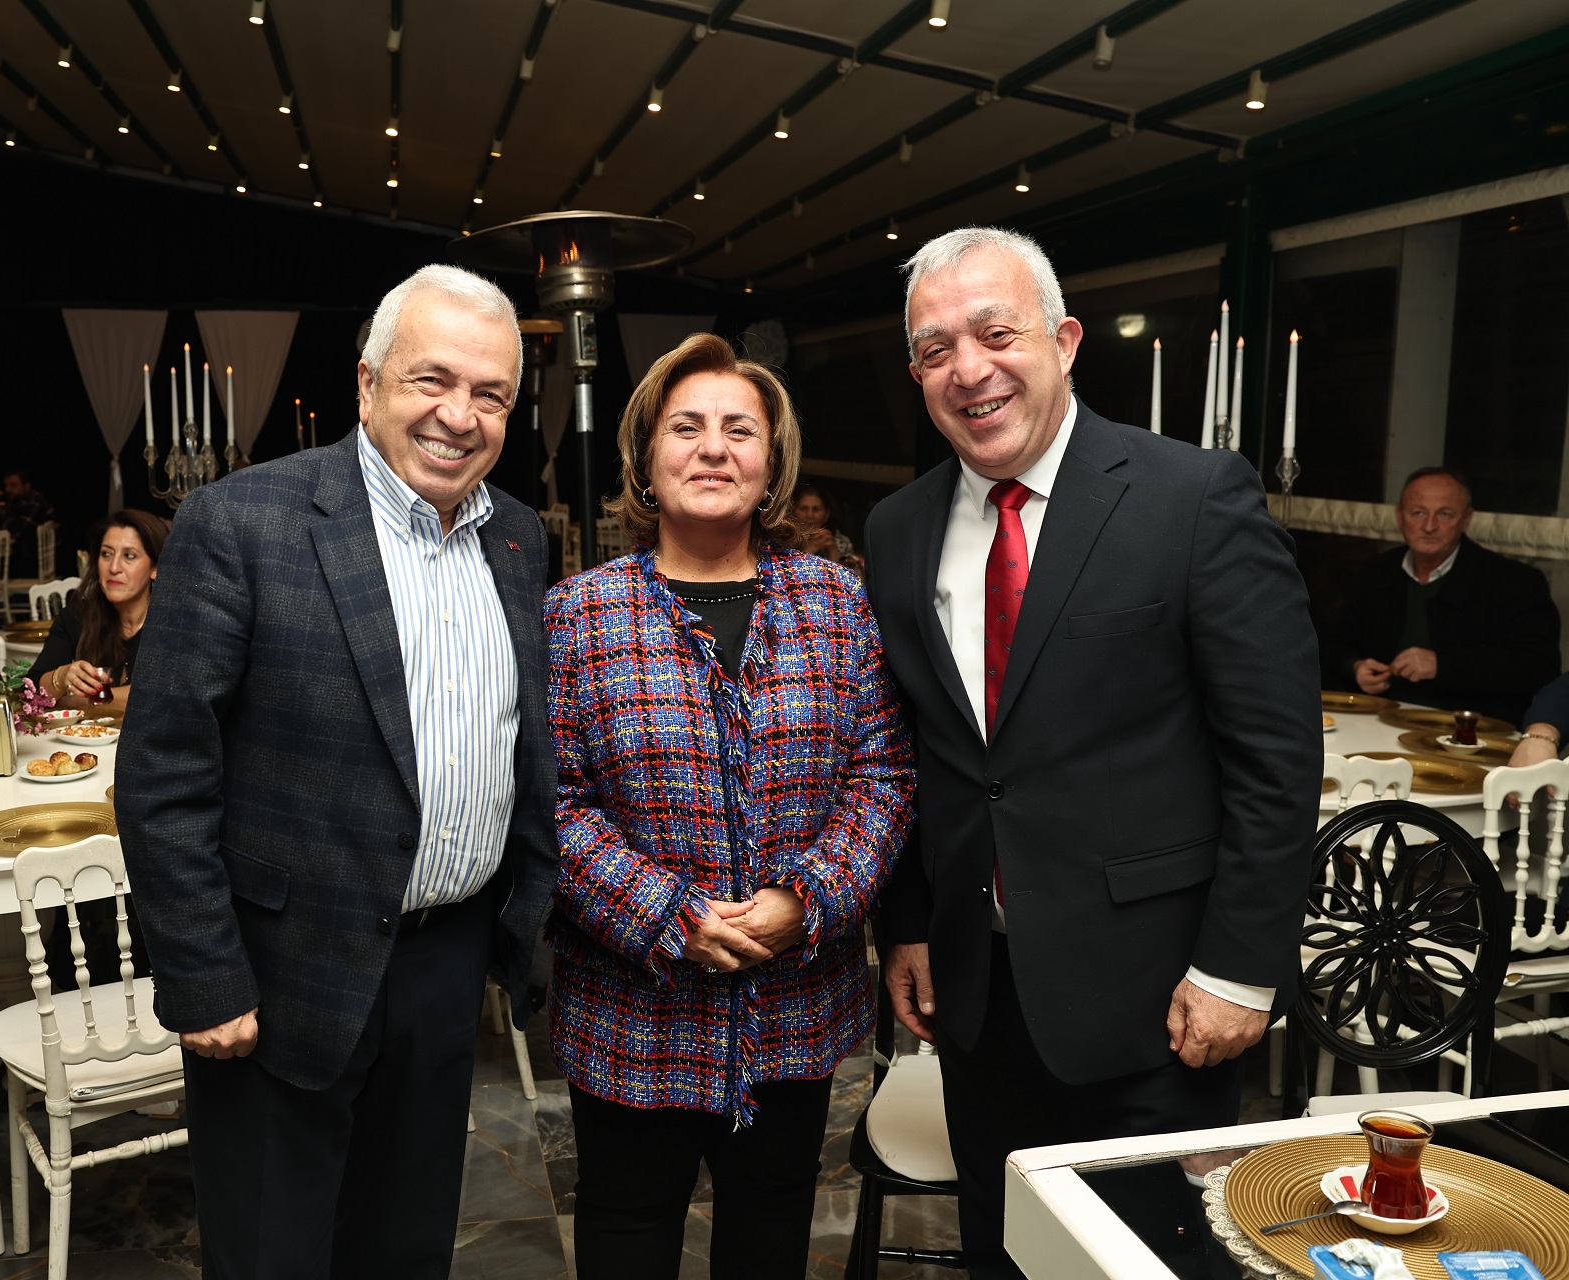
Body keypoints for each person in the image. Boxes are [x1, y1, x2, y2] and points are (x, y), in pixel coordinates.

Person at [862, 227, 1320, 1279]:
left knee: (1142, 1263)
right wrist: (911, 921)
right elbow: (919, 749)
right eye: (935, 349)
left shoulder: (1193, 497)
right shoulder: (898, 528)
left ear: (1064, 341)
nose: (968, 369)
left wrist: (1239, 969)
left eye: (996, 333)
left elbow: (1276, 756)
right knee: (1009, 1256)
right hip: (980, 1002)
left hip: (1157, 1002)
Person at [115, 263, 558, 1280]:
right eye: (431, 379)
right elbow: (164, 773)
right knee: (273, 1255)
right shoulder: (244, 522)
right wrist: (204, 977)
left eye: (490, 394)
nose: (460, 415)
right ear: (368, 382)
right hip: (280, 980)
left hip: (445, 968)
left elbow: (519, 740)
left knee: (406, 1250)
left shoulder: (519, 536)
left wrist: (521, 917)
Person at [544, 334, 912, 1278]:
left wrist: (807, 899)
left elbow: (881, 775)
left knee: (770, 1234)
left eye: (740, 429)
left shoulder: (838, 604)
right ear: (645, 459)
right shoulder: (578, 614)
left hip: (794, 1007)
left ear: (772, 462)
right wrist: (669, 915)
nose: (714, 448)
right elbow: (553, 801)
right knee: (626, 1234)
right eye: (687, 427)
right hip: (633, 1012)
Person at [1322, 467, 1558, 725]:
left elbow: (1538, 668)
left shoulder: (1513, 581)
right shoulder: (1376, 572)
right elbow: (1330, 642)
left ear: (1466, 520)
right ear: (1400, 517)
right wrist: (1354, 666)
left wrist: (1442, 665)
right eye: (1418, 513)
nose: (1429, 526)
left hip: (1472, 732)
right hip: (1376, 723)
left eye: (1444, 514)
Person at [26, 510, 165, 710]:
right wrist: (61, 677)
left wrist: (72, 701)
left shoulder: (173, 623)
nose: (114, 567)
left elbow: (158, 698)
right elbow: (29, 694)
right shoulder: (76, 616)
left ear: (156, 569)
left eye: (129, 556)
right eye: (106, 554)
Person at [0, 467, 56, 577]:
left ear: (26, 486)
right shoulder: (15, 502)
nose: (8, 489)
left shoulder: (35, 501)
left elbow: (16, 532)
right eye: (6, 485)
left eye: (13, 485)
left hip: (36, 563)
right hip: (25, 559)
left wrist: (0, 510)